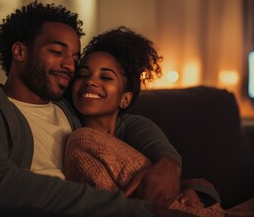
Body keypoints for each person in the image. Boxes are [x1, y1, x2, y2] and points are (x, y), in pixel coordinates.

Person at [0, 0, 187, 216]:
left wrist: (169, 163)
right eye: (57, 51)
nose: (70, 66)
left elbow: (127, 124)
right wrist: (132, 210)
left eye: (75, 59)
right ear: (19, 51)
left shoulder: (70, 109)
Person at [63, 26, 222, 216]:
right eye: (83, 74)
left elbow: (168, 161)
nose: (91, 81)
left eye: (105, 77)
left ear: (125, 99)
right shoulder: (68, 124)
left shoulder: (133, 125)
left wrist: (197, 191)